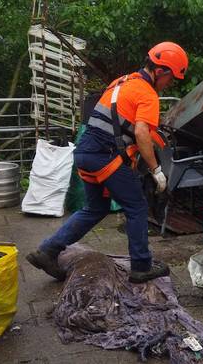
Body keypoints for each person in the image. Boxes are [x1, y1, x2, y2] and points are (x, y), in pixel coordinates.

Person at [26, 42, 189, 284]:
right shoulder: (147, 94)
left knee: (96, 208)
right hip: (105, 156)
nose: (169, 84)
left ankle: (48, 250)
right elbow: (142, 133)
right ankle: (141, 266)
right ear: (161, 71)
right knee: (136, 207)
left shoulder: (122, 82)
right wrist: (156, 170)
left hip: (84, 152)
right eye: (171, 79)